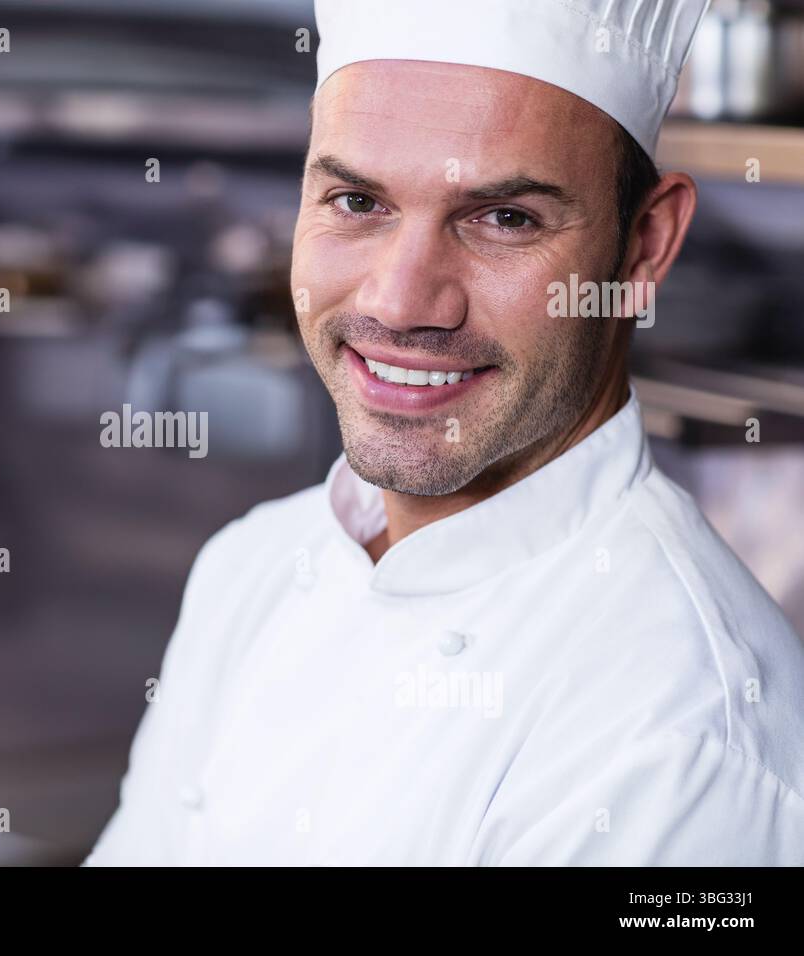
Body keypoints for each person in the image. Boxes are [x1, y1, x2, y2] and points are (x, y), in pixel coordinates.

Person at [83, 0, 804, 865]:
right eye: (357, 201)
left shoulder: (681, 740)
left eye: (503, 219)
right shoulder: (254, 568)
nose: (399, 300)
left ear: (644, 247)